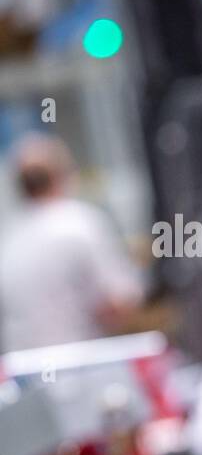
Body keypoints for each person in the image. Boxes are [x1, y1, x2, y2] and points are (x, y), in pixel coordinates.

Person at [0, 134, 144, 353]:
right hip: (81, 368)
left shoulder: (10, 240)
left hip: (25, 375)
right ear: (61, 175)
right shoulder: (80, 223)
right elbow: (119, 302)